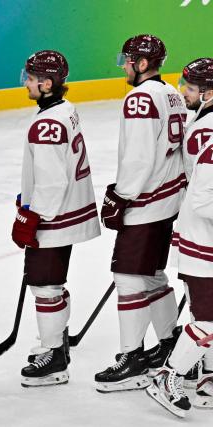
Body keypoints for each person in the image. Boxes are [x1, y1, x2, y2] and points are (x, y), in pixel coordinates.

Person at [95, 34, 187, 392]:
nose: (125, 66)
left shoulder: (140, 99)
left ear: (143, 64)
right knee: (152, 276)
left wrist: (121, 195)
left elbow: (139, 156)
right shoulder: (172, 94)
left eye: (129, 60)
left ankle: (131, 358)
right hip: (168, 197)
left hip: (146, 202)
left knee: (128, 278)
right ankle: (167, 344)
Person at [13, 50, 100, 387]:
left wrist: (33, 216)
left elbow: (52, 180)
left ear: (47, 84)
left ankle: (54, 358)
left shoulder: (47, 123)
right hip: (67, 211)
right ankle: (57, 343)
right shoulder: (64, 110)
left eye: (31, 79)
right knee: (52, 284)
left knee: (44, 286)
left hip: (55, 217)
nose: (27, 85)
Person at [146, 57, 213, 418]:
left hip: (203, 239)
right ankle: (168, 377)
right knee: (208, 316)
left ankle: (206, 378)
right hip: (203, 243)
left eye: (188, 86)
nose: (183, 92)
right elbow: (204, 198)